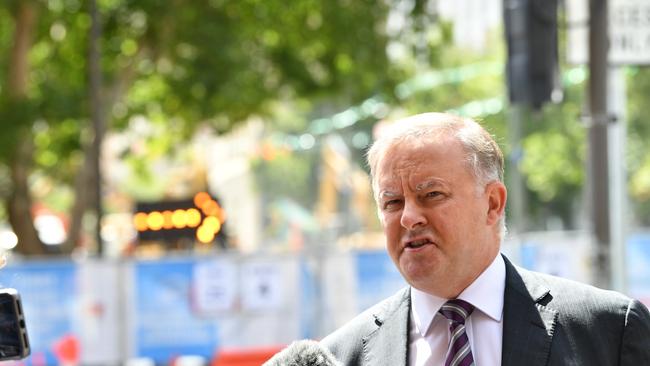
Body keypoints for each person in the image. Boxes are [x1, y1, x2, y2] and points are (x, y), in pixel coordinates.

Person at [320, 112, 650, 365]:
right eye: (392, 202)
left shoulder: (608, 331)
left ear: (492, 203)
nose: (408, 217)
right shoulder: (341, 356)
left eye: (431, 194)